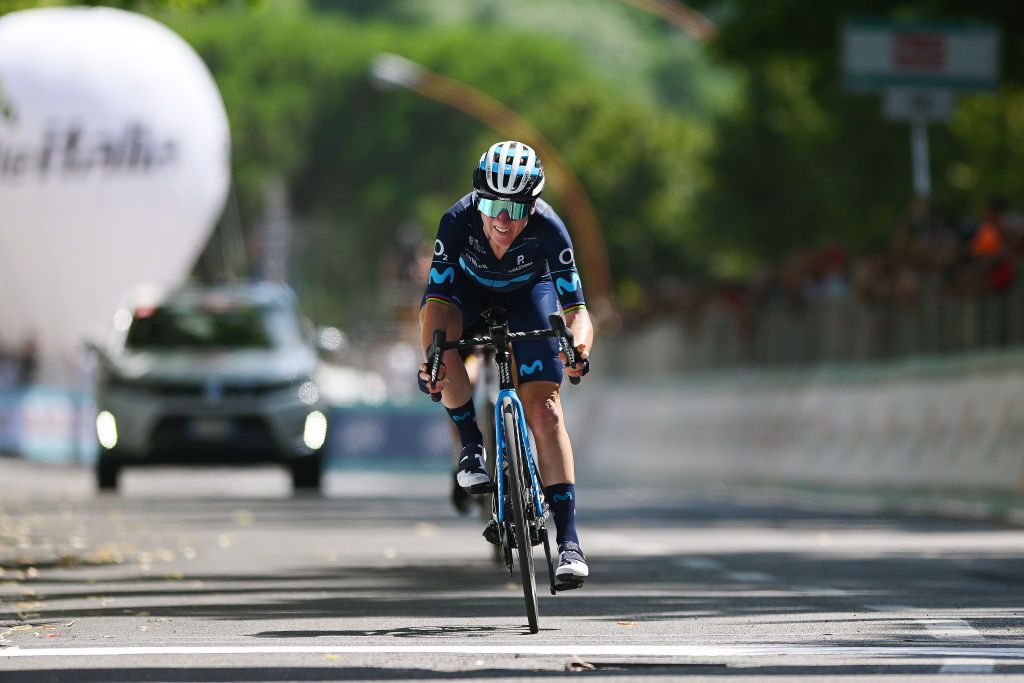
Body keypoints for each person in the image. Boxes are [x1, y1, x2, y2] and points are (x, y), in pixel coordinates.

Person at [417, 140, 594, 587]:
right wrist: (434, 358)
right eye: (493, 204)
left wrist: (579, 350)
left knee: (546, 410)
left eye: (514, 210)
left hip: (528, 296)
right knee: (445, 340)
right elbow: (434, 302)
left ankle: (569, 542)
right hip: (469, 294)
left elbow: (577, 311)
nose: (500, 219)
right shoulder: (457, 220)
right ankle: (472, 446)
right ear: (479, 196)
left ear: (532, 208)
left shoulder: (551, 229)